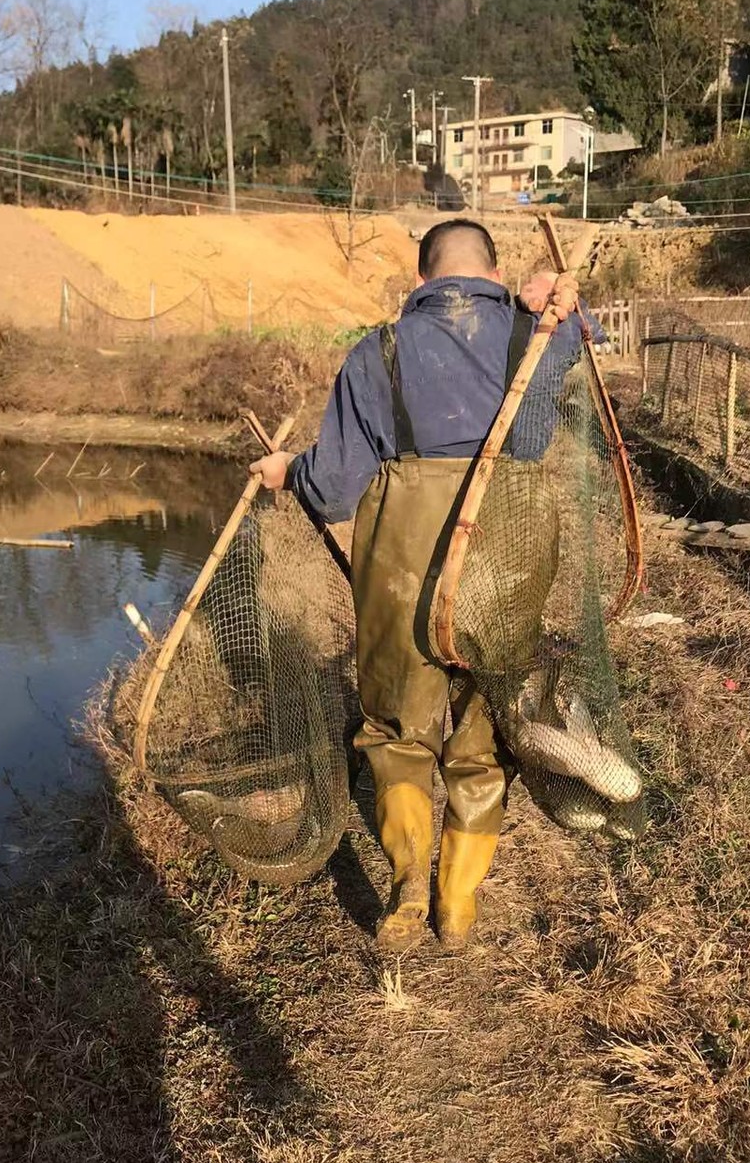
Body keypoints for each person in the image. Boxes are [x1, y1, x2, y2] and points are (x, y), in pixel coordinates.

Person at [250, 218, 583, 953]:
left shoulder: (382, 350)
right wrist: (556, 316)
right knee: (484, 736)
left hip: (403, 569)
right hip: (508, 565)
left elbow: (334, 490)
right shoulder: (536, 334)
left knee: (398, 732)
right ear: (494, 273)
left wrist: (286, 471)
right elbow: (530, 439)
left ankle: (405, 884)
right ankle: (457, 905)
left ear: (422, 278)